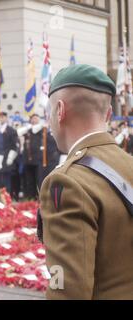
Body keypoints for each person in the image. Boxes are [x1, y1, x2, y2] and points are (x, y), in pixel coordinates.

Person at [38, 64, 133, 299]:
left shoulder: (67, 182)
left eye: (49, 112)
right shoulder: (128, 164)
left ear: (60, 110)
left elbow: (69, 292)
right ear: (109, 113)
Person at [0, 112, 19, 196]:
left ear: (6, 118)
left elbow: (15, 145)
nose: (1, 118)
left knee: (6, 179)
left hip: (7, 158)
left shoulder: (11, 130)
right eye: (0, 117)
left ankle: (7, 197)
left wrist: (11, 158)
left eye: (3, 117)